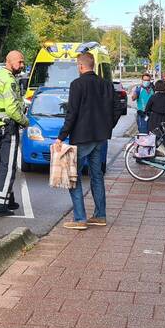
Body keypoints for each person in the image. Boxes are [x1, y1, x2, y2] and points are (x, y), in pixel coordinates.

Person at [57, 52, 117, 230]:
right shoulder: (106, 85)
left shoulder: (77, 84)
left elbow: (72, 113)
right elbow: (117, 108)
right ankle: (100, 215)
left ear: (81, 66)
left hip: (82, 137)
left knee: (72, 176)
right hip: (101, 137)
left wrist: (61, 136)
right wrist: (108, 126)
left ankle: (80, 218)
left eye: (77, 65)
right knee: (96, 176)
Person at [0, 50, 29, 217]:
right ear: (9, 62)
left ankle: (8, 200)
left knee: (4, 163)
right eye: (19, 62)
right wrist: (25, 121)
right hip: (8, 127)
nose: (22, 65)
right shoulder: (9, 80)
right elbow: (11, 108)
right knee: (9, 166)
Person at [144, 80, 165, 150]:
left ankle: (153, 152)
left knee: (153, 137)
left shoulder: (153, 97)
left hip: (154, 119)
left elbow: (146, 109)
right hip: (164, 119)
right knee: (164, 137)